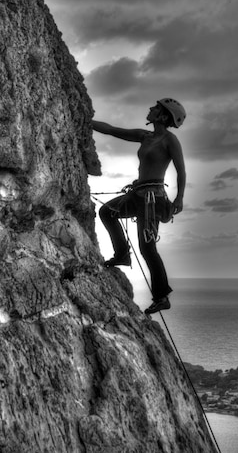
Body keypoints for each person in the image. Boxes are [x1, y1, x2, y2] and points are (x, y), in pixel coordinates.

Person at [92, 98, 186, 315]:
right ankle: (122, 254)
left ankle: (161, 297)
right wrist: (87, 120)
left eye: (155, 108)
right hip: (139, 195)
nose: (150, 109)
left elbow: (181, 171)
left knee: (147, 248)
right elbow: (111, 130)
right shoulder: (145, 136)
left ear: (163, 116)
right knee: (107, 212)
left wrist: (179, 198)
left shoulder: (170, 140)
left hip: (153, 200)